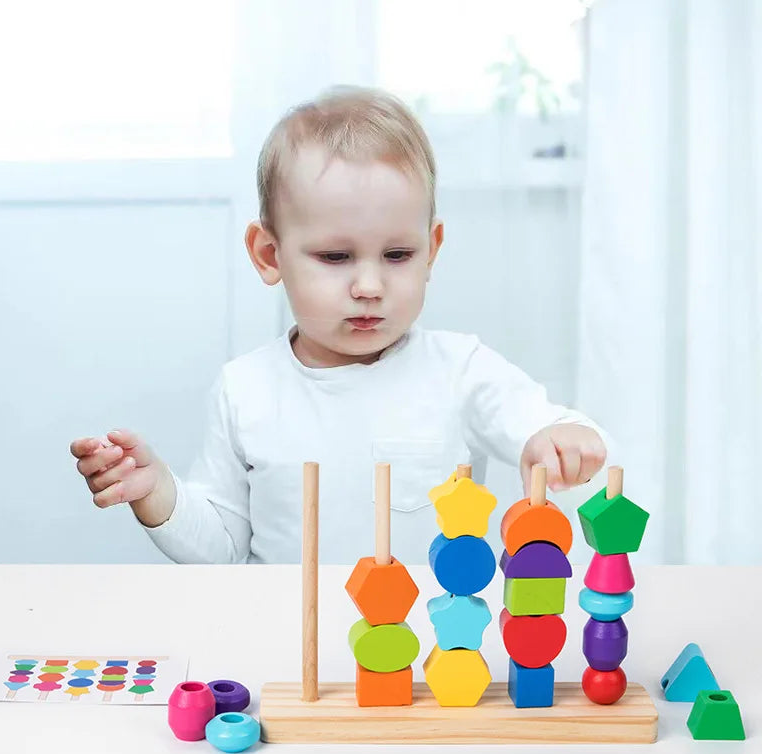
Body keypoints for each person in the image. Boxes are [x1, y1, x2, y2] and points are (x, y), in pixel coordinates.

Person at [69, 86, 608, 565]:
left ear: (432, 250)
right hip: (289, 656)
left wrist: (561, 438)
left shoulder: (462, 371)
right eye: (334, 257)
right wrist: (156, 490)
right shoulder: (245, 389)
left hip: (425, 661)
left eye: (397, 254)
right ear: (268, 254)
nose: (369, 285)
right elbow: (222, 550)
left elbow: (551, 427)